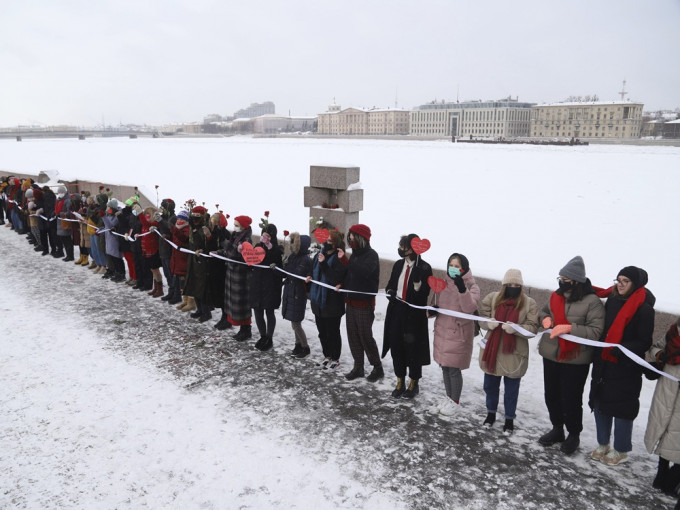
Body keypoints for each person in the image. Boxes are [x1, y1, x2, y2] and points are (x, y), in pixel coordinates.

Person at [538, 255, 605, 454]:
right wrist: (546, 320)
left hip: (576, 359)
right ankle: (557, 428)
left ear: (576, 281)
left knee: (571, 398)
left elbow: (595, 331)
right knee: (552, 394)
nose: (561, 282)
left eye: (565, 280)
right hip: (551, 354)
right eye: (560, 278)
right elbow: (543, 312)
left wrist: (570, 328)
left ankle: (573, 434)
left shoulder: (593, 302)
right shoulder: (555, 296)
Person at [588, 266, 655, 466]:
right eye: (618, 279)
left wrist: (623, 348)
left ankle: (621, 449)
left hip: (625, 366)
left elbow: (644, 341)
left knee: (622, 407)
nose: (620, 284)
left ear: (636, 284)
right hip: (604, 361)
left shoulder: (645, 309)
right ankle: (602, 443)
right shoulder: (612, 301)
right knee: (600, 403)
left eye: (626, 280)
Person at [479, 269, 539, 432]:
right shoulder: (492, 298)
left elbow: (533, 327)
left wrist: (516, 329)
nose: (513, 287)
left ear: (521, 286)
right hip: (493, 350)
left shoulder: (529, 303)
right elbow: (481, 316)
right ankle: (490, 414)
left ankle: (509, 419)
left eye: (517, 285)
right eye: (510, 284)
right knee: (490, 386)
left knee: (511, 390)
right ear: (504, 285)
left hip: (514, 352)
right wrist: (488, 323)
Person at [429, 253, 481, 415]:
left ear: (464, 267)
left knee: (453, 369)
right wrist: (432, 311)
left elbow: (469, 308)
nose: (453, 268)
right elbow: (433, 306)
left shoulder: (472, 286)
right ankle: (449, 397)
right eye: (451, 265)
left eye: (457, 266)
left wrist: (461, 288)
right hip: (442, 331)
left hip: (458, 333)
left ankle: (455, 401)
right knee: (444, 367)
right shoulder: (442, 284)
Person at [382, 234, 432, 398]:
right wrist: (390, 291)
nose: (401, 250)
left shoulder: (424, 267)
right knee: (396, 346)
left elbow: (425, 294)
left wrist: (418, 286)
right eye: (401, 246)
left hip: (413, 316)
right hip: (397, 311)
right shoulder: (398, 265)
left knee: (413, 349)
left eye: (404, 247)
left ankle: (413, 382)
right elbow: (391, 283)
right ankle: (400, 380)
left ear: (413, 249)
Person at [333, 224, 383, 382]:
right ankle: (358, 366)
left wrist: (346, 261)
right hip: (350, 301)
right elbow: (350, 275)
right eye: (350, 236)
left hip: (364, 303)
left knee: (365, 336)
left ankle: (377, 367)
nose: (350, 239)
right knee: (352, 335)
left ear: (362, 238)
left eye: (353, 237)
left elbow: (363, 273)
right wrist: (342, 283)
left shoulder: (372, 255)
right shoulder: (354, 254)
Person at [645, 317, 680, 496]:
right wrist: (661, 355)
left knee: (677, 434)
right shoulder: (674, 331)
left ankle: (674, 477)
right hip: (666, 390)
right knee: (665, 431)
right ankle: (661, 473)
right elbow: (654, 348)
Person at [308, 230, 347, 369]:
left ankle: (335, 357)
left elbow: (335, 279)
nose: (327, 243)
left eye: (330, 241)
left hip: (332, 304)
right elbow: (313, 270)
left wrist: (324, 264)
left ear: (336, 243)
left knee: (333, 333)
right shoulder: (320, 255)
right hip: (318, 302)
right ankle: (327, 355)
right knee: (322, 332)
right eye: (326, 240)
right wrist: (309, 277)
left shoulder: (339, 258)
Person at [217, 215, 254, 340]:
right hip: (232, 273)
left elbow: (234, 254)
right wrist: (219, 252)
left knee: (241, 304)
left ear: (244, 226)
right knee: (233, 303)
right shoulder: (236, 236)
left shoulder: (246, 240)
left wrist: (226, 249)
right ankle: (237, 326)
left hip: (241, 276)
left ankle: (246, 329)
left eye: (237, 225)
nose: (235, 227)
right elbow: (229, 251)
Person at [251, 223, 283, 350]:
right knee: (257, 311)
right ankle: (263, 336)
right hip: (257, 283)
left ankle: (269, 338)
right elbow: (252, 260)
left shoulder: (276, 249)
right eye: (263, 234)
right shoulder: (258, 246)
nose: (265, 237)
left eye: (268, 235)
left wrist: (270, 249)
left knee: (269, 311)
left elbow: (280, 268)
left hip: (270, 285)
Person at [282, 232, 313, 358]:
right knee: (293, 320)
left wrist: (287, 268)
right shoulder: (293, 257)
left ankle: (305, 347)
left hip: (298, 293)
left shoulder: (306, 260)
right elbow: (288, 272)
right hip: (291, 290)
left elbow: (298, 273)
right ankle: (298, 344)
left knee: (296, 322)